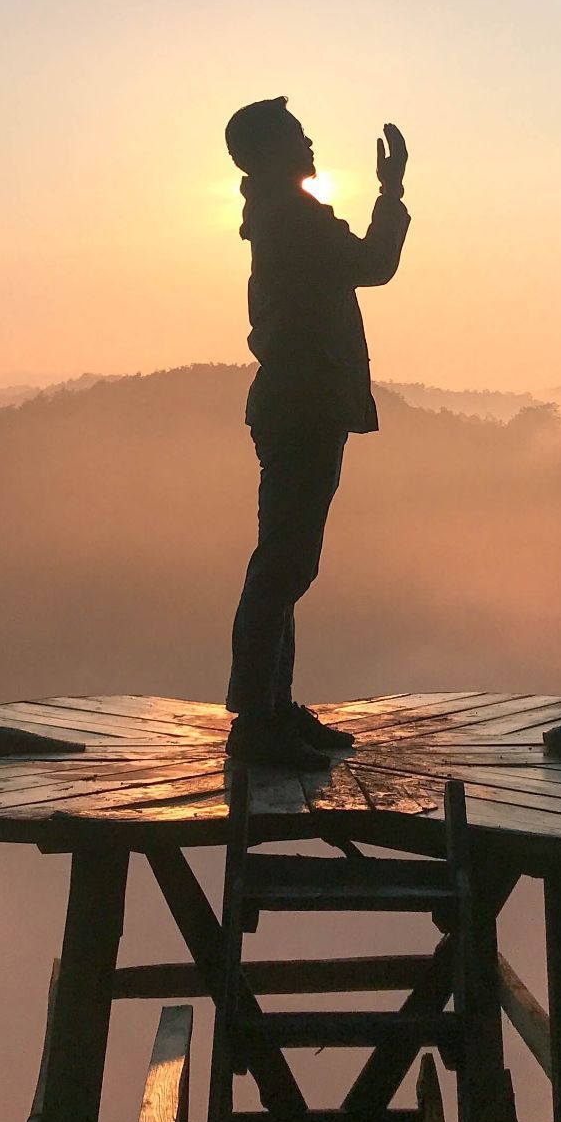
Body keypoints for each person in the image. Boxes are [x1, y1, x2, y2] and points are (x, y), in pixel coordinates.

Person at [222, 98, 410, 767]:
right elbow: (374, 263)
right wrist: (391, 191)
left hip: (297, 404)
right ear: (271, 151)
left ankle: (273, 707)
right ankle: (256, 721)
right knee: (285, 562)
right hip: (302, 406)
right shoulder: (294, 218)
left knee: (287, 558)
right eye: (296, 135)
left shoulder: (281, 214)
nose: (309, 143)